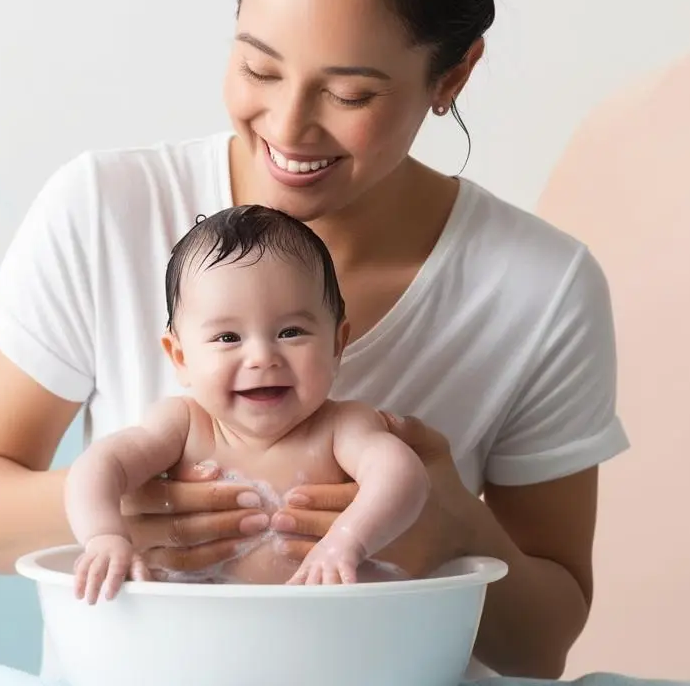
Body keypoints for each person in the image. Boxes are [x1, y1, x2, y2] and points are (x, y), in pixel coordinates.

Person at [0, 0, 629, 680]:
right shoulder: (105, 209)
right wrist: (120, 508)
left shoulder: (540, 288)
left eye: (350, 94)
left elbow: (543, 645)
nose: (288, 127)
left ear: (453, 73)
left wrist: (451, 526)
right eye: (258, 66)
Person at [68, 204, 429, 603]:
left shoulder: (343, 427)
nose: (261, 357)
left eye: (291, 332)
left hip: (322, 626)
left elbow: (400, 474)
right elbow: (100, 466)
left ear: (336, 345)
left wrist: (348, 541)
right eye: (228, 338)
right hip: (201, 628)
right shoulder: (184, 425)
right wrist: (104, 536)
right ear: (181, 358)